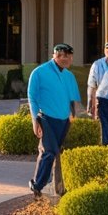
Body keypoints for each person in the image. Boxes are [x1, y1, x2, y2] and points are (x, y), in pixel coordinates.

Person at [27, 43, 81, 198]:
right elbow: (32, 97)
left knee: (56, 153)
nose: (64, 58)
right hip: (45, 118)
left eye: (68, 56)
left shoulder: (69, 76)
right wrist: (35, 120)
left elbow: (74, 100)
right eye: (60, 55)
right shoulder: (39, 72)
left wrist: (74, 116)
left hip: (64, 120)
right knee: (49, 151)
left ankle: (57, 187)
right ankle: (37, 184)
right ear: (54, 56)